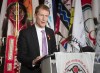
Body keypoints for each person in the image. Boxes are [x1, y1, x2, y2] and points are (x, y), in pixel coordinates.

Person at [17, 4, 57, 73]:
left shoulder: (50, 32)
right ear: (35, 16)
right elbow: (21, 56)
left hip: (49, 70)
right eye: (41, 15)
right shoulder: (25, 33)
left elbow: (54, 51)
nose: (44, 19)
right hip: (31, 71)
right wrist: (33, 61)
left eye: (46, 16)